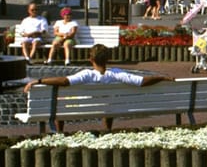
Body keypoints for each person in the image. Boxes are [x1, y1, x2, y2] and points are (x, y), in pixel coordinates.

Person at [23, 44, 167, 130]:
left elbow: (65, 81)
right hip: (107, 108)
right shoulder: (116, 73)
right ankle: (107, 130)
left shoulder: (87, 74)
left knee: (63, 103)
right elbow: (141, 81)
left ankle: (60, 132)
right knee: (108, 103)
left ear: (90, 59)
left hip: (82, 108)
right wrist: (161, 77)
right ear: (108, 59)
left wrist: (39, 81)